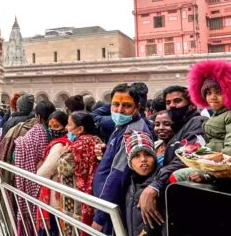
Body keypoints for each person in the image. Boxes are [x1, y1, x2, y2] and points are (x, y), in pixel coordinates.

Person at [138, 85, 207, 229]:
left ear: (191, 104)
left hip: (188, 200)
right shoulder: (180, 127)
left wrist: (155, 186)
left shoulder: (196, 123)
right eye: (168, 103)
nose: (172, 106)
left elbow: (187, 157)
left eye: (177, 101)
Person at [172, 59, 231, 183]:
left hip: (226, 172)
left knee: (177, 176)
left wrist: (208, 174)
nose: (212, 97)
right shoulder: (221, 113)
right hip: (215, 167)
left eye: (219, 92)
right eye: (208, 93)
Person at [91, 83, 152, 234]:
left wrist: (99, 218)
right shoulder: (122, 126)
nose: (119, 110)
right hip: (108, 206)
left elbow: (117, 176)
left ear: (137, 107)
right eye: (115, 105)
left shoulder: (133, 131)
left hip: (113, 208)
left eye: (126, 105)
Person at [14, 100, 56, 235]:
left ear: (38, 117)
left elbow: (20, 149)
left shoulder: (36, 131)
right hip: (49, 182)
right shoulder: (55, 130)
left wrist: (18, 143)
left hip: (34, 180)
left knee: (35, 213)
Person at [57, 110, 101, 235]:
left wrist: (62, 154)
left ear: (80, 129)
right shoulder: (96, 140)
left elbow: (63, 169)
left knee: (75, 226)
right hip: (93, 191)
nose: (66, 128)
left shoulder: (77, 145)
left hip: (76, 196)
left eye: (69, 125)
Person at [36, 110, 71, 236]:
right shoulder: (67, 141)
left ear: (66, 126)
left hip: (55, 200)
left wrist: (40, 166)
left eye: (56, 126)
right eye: (50, 127)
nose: (52, 130)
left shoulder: (58, 145)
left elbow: (42, 173)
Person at [124, 130, 162, 236]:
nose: (143, 159)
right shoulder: (128, 183)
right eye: (136, 156)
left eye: (148, 155)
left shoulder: (160, 186)